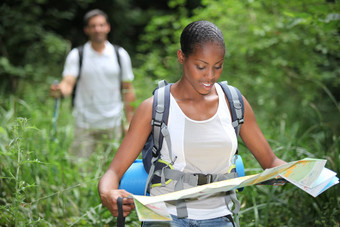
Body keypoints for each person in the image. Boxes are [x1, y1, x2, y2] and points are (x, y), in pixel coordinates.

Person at [98, 20, 286, 226]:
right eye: (201, 66)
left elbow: (271, 162)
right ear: (181, 57)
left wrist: (294, 171)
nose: (210, 76)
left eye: (218, 66)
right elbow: (113, 172)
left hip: (219, 218)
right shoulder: (155, 107)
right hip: (165, 218)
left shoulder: (234, 103)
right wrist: (107, 192)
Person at [50, 9, 135, 158]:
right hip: (85, 123)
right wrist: (60, 90)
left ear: (107, 27)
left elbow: (127, 89)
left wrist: (129, 122)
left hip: (113, 122)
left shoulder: (120, 54)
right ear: (87, 29)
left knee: (111, 170)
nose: (98, 29)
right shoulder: (77, 55)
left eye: (101, 25)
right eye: (93, 26)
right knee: (81, 171)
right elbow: (68, 82)